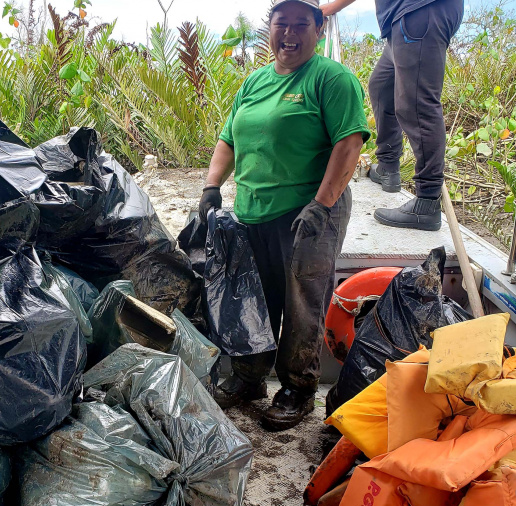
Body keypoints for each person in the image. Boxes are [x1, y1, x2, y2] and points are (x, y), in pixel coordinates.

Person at [198, 0, 369, 431]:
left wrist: (323, 203)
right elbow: (228, 140)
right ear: (269, 31)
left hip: (308, 212)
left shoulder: (331, 78)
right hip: (253, 212)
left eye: (300, 25)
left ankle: (297, 389)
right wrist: (211, 186)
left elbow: (349, 143)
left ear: (318, 30)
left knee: (300, 303)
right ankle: (250, 378)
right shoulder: (254, 82)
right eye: (281, 25)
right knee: (253, 299)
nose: (289, 33)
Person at [321, 0, 463, 231]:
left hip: (419, 11)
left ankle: (427, 201)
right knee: (382, 86)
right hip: (404, 18)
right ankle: (388, 166)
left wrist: (327, 9)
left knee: (417, 105)